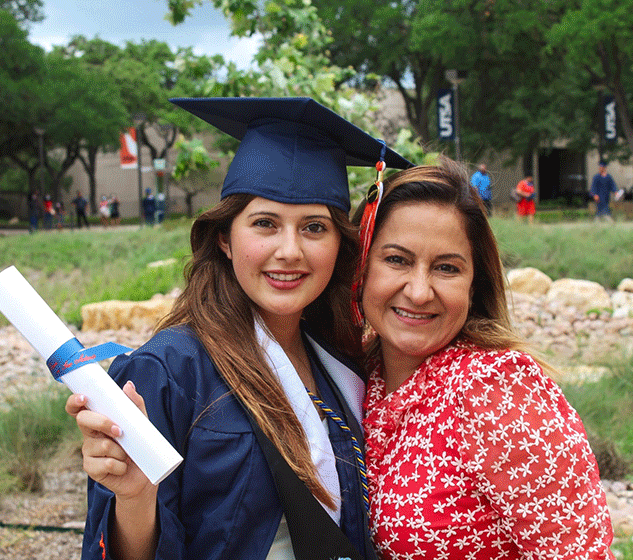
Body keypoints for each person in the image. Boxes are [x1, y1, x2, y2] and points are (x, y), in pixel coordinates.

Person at [65, 97, 412, 560]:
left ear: (339, 245)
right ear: (225, 238)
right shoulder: (168, 372)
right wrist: (134, 498)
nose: (289, 251)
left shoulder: (345, 362)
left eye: (313, 227)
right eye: (264, 224)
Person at [352, 159, 614, 559]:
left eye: (446, 268)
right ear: (361, 266)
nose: (419, 291)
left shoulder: (496, 389)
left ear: (475, 286)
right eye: (397, 260)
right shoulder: (358, 376)